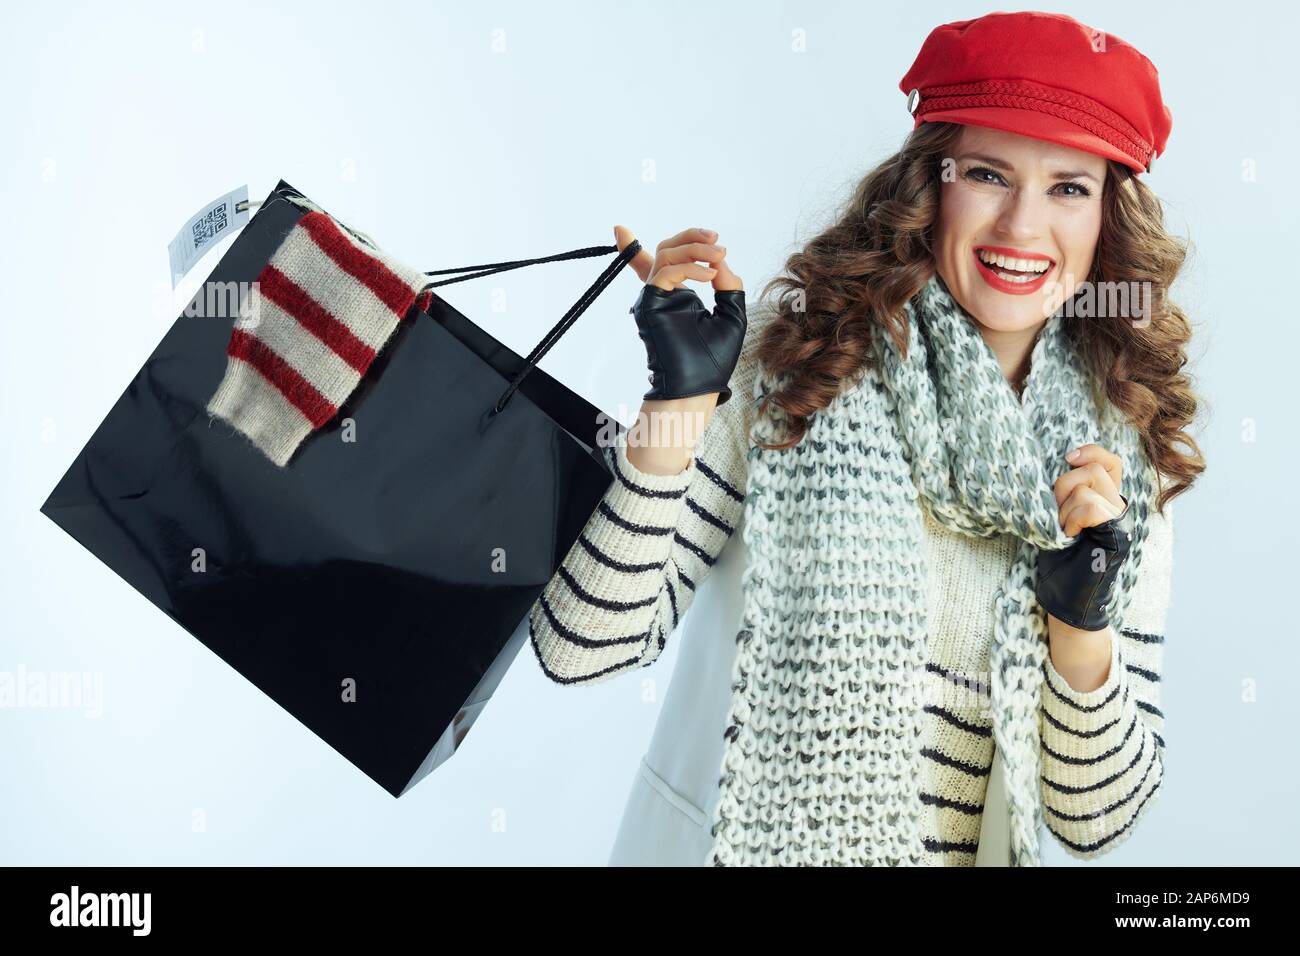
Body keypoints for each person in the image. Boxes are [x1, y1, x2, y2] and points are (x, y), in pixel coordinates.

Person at [528, 10, 1205, 866]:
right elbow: (580, 646)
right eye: (989, 174)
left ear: (1108, 217)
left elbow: (1096, 821)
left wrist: (1081, 626)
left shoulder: (1121, 465)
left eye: (1069, 187)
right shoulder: (796, 365)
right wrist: (678, 403)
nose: (1022, 227)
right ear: (929, 183)